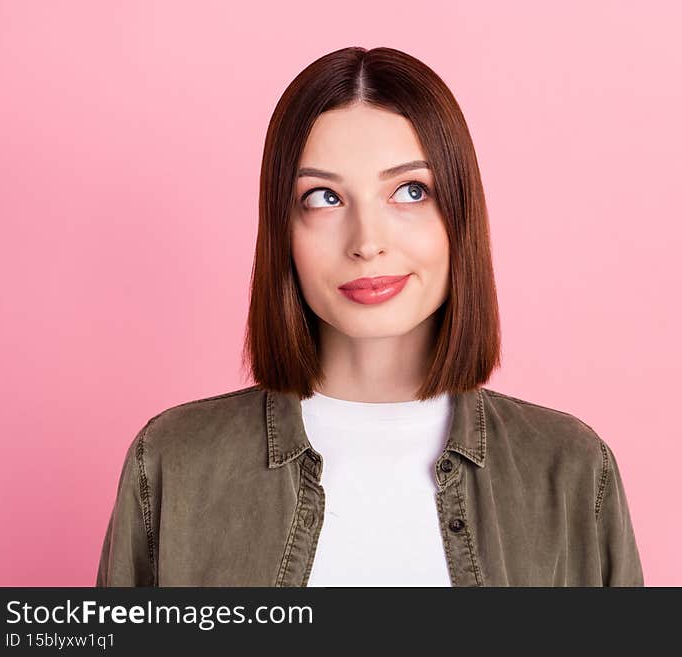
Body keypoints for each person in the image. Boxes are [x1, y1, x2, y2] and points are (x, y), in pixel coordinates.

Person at [96, 46, 644, 587]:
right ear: (281, 231)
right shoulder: (175, 462)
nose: (367, 242)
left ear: (460, 214)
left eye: (410, 191)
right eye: (323, 198)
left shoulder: (570, 470)